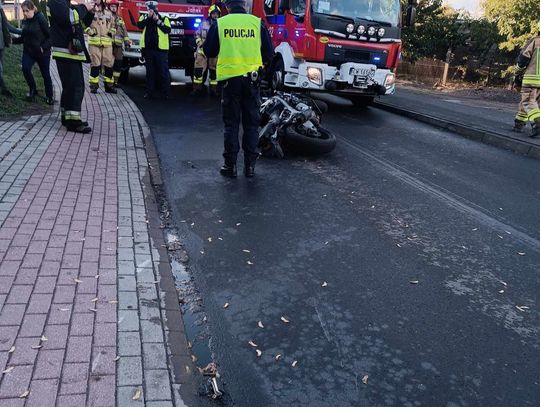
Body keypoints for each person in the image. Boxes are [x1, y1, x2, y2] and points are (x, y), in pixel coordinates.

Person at [204, 0, 274, 178]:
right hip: (252, 81)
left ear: (227, 6)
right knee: (251, 125)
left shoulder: (221, 23)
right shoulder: (257, 23)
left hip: (230, 82)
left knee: (232, 125)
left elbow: (209, 51)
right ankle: (250, 167)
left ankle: (230, 166)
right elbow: (269, 53)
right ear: (244, 5)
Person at [47, 0, 94, 133]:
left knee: (70, 87)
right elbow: (69, 17)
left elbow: (82, 22)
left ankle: (67, 117)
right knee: (75, 87)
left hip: (70, 52)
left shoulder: (63, 3)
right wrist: (84, 6)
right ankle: (73, 122)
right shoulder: (56, 2)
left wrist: (90, 12)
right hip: (66, 52)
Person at [12, 0, 54, 104]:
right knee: (25, 69)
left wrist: (43, 47)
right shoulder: (25, 21)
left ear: (32, 9)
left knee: (46, 75)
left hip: (42, 53)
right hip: (29, 52)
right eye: (23, 11)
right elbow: (23, 38)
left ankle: (50, 96)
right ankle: (33, 89)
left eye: (27, 11)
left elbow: (50, 36)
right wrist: (12, 41)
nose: (25, 13)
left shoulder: (40, 18)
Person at [136, 1, 170, 99]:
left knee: (163, 72)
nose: (151, 10)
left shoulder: (164, 18)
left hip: (161, 50)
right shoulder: (144, 17)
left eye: (153, 8)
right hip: (148, 49)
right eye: (149, 8)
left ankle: (166, 93)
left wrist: (157, 21)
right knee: (150, 72)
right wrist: (149, 18)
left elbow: (168, 30)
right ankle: (149, 92)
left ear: (157, 8)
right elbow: (140, 25)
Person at [514, 22, 540, 139]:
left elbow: (523, 59)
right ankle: (519, 123)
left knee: (528, 101)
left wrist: (518, 73)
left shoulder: (535, 41)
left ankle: (537, 123)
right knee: (533, 104)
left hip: (532, 79)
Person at [86, 0, 116, 93]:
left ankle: (109, 86)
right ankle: (94, 86)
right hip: (94, 43)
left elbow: (114, 26)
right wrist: (90, 32)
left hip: (107, 44)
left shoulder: (108, 12)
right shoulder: (89, 11)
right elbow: (83, 24)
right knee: (95, 64)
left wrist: (111, 32)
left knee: (109, 65)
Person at [191, 4, 220, 96]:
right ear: (210, 14)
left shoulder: (221, 25)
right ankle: (196, 89)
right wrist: (200, 44)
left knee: (214, 72)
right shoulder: (203, 23)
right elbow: (197, 34)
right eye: (213, 13)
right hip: (202, 52)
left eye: (217, 14)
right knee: (198, 71)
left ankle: (214, 90)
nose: (215, 15)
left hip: (214, 52)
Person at [0, 0, 21, 97]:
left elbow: (7, 26)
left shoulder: (0, 11)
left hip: (1, 45)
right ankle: (4, 89)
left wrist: (21, 31)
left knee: (1, 68)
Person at [108, 0, 129, 87]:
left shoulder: (120, 19)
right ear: (109, 7)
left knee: (118, 64)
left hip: (119, 46)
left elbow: (124, 31)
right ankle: (109, 82)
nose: (113, 8)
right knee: (109, 64)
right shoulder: (106, 17)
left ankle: (115, 82)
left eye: (115, 6)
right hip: (109, 45)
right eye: (112, 6)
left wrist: (127, 42)